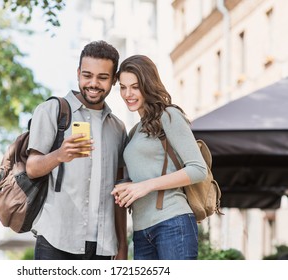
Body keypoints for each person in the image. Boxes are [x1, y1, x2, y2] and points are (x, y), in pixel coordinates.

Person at [26, 40, 128, 260]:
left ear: (113, 80)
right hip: (56, 239)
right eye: (87, 75)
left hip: (103, 246)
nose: (93, 83)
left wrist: (122, 245)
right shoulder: (53, 110)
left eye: (102, 77)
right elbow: (32, 168)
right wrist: (59, 155)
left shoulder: (118, 128)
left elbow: (119, 192)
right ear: (78, 73)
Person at [111, 55, 207, 260]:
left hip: (172, 223)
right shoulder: (135, 130)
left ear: (148, 84)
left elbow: (198, 169)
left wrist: (145, 185)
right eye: (123, 87)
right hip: (140, 230)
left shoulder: (169, 116)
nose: (128, 94)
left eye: (135, 87)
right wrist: (127, 187)